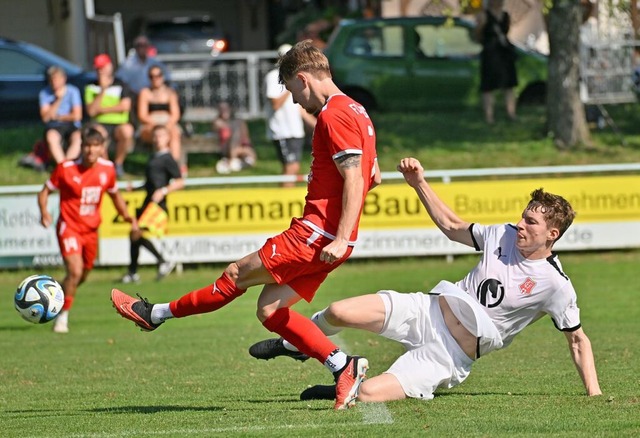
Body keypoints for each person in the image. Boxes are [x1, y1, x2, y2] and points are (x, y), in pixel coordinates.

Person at [111, 39, 382, 410]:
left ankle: (154, 314)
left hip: (317, 235)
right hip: (337, 239)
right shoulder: (357, 110)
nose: (293, 100)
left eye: (290, 90)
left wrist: (334, 233)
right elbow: (374, 175)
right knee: (270, 311)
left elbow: (355, 178)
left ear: (303, 79)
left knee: (236, 274)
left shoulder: (333, 114)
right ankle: (343, 366)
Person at [249, 157, 602, 405]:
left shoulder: (556, 285)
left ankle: (350, 383)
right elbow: (452, 227)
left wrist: (594, 395)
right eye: (523, 217)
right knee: (339, 311)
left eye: (531, 223)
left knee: (371, 395)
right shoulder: (503, 234)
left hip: (447, 355)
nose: (521, 225)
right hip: (425, 309)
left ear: (552, 234)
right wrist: (419, 183)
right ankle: (294, 346)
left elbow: (577, 340)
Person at [37, 124, 137, 333]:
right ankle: (62, 317)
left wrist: (128, 216)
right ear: (81, 147)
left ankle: (57, 292)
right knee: (75, 271)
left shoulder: (107, 169)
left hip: (91, 231)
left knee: (81, 276)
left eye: (96, 146)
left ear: (102, 148)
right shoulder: (66, 168)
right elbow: (44, 192)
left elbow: (114, 195)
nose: (91, 150)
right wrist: (45, 212)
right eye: (87, 146)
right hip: (69, 227)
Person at [121, 124, 184, 284]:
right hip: (147, 201)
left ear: (168, 138)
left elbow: (179, 182)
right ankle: (133, 272)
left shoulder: (168, 158)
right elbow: (150, 183)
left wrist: (163, 191)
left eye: (161, 136)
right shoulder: (153, 156)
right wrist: (136, 188)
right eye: (155, 136)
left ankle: (162, 260)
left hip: (158, 204)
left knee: (136, 233)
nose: (157, 139)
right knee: (134, 235)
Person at [265, 44, 316, 187]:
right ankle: (284, 202)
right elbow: (275, 103)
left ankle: (287, 198)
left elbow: (299, 109)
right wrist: (290, 86)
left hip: (295, 130)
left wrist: (320, 125)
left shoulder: (296, 78)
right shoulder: (273, 77)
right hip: (282, 131)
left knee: (294, 167)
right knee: (290, 167)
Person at [85, 53, 135, 178]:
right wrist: (103, 90)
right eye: (98, 68)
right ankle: (107, 167)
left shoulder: (121, 85)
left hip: (119, 124)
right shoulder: (91, 87)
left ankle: (118, 164)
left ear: (110, 67)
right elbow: (91, 111)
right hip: (99, 124)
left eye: (102, 67)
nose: (100, 71)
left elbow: (124, 106)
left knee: (127, 131)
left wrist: (100, 110)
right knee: (98, 133)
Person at [475, 0, 518, 124]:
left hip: (504, 53)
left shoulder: (505, 15)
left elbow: (507, 31)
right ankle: (489, 117)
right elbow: (478, 35)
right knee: (488, 86)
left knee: (509, 85)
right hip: (490, 53)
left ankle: (511, 113)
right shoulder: (483, 15)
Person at [137, 65, 182, 162]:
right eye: (152, 76)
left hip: (168, 122)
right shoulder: (145, 93)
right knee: (159, 135)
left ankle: (174, 165)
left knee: (174, 133)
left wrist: (167, 126)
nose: (155, 79)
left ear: (162, 76)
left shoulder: (170, 93)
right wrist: (157, 126)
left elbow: (175, 114)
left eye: (158, 75)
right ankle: (161, 164)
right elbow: (142, 115)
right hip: (150, 123)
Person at [38, 65, 83, 164]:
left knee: (78, 138)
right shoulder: (45, 93)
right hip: (54, 126)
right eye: (52, 80)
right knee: (51, 136)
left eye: (57, 79)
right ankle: (63, 166)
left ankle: (67, 165)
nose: (54, 82)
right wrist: (58, 100)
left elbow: (77, 116)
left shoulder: (73, 91)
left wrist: (58, 117)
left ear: (64, 79)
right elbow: (45, 118)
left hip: (72, 125)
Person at [212, 100, 257, 174]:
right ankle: (233, 161)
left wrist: (244, 148)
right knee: (235, 134)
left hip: (240, 146)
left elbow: (246, 137)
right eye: (221, 108)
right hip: (227, 148)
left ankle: (237, 163)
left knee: (250, 155)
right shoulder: (217, 122)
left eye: (226, 108)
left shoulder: (239, 121)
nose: (224, 110)